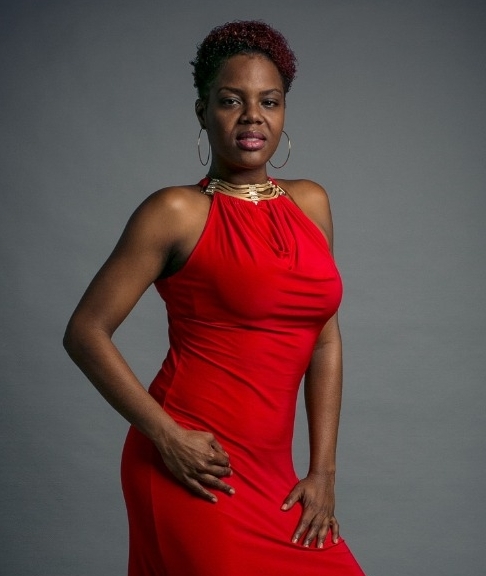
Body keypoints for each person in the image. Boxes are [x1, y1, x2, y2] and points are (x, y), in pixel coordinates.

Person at [64, 20, 366, 576]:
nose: (252, 116)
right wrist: (166, 436)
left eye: (269, 101)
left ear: (283, 113)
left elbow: (324, 340)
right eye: (231, 101)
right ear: (202, 111)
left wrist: (324, 472)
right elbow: (85, 331)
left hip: (274, 473)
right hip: (196, 466)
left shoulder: (311, 204)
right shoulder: (175, 212)